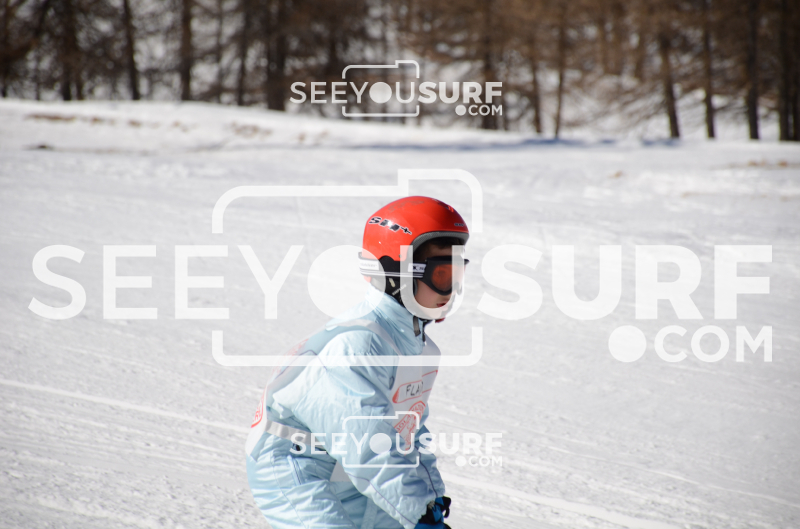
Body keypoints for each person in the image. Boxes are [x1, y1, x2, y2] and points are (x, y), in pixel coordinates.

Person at [246, 196, 470, 529]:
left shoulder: (418, 346)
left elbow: (408, 431)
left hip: (349, 464)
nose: (451, 289)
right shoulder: (356, 346)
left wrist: (430, 501)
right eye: (441, 274)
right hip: (297, 467)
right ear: (396, 274)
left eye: (457, 272)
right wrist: (419, 515)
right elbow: (367, 448)